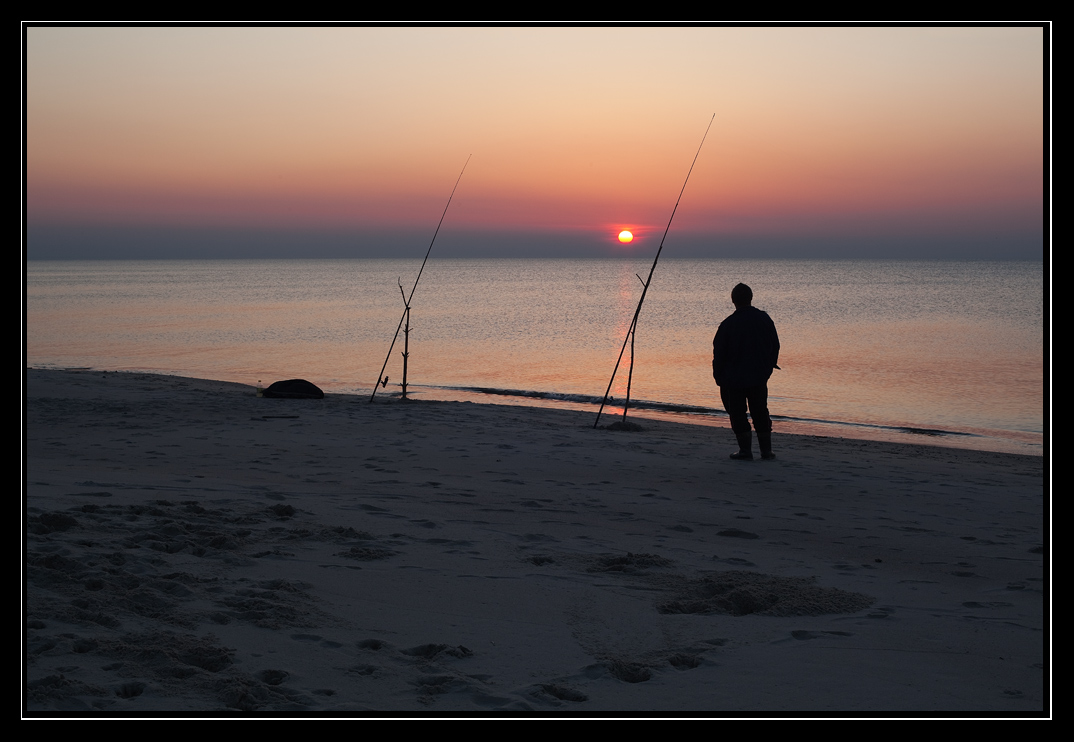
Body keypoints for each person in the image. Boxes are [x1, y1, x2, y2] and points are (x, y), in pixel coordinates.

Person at [712, 283, 780, 460]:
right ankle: (765, 450)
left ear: (733, 300)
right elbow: (775, 346)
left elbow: (719, 353)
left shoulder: (728, 324)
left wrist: (718, 377)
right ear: (750, 298)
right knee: (760, 410)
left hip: (734, 377)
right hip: (757, 375)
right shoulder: (764, 319)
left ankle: (745, 450)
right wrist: (768, 367)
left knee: (737, 412)